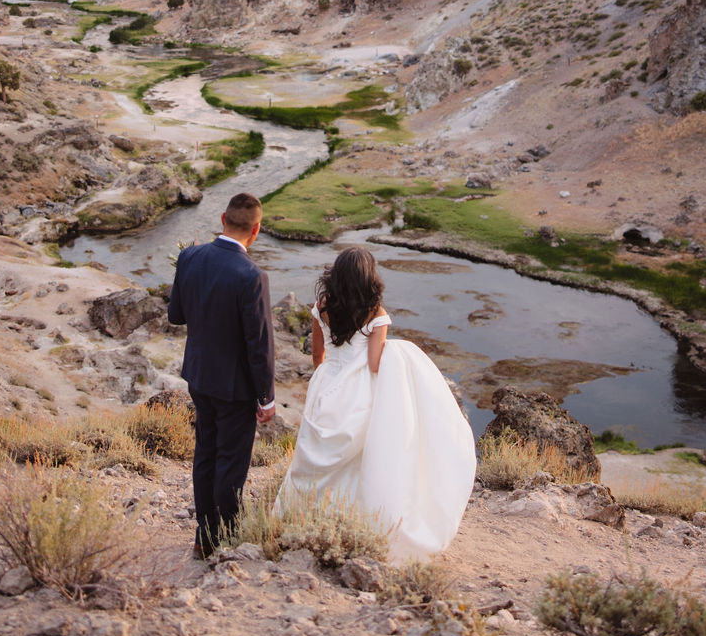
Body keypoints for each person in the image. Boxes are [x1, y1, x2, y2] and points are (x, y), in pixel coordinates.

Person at [276, 245, 476, 561]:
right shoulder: (376, 313)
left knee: (317, 456)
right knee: (359, 460)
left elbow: (317, 355)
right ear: (370, 278)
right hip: (361, 391)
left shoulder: (321, 306)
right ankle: (357, 521)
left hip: (327, 384)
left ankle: (302, 517)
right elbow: (373, 363)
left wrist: (327, 382)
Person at [167, 192, 275, 558]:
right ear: (256, 230)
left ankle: (204, 535)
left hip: (198, 375)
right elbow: (259, 343)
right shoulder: (252, 275)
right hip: (236, 387)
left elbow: (176, 316)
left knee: (206, 453)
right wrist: (267, 396)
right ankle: (224, 537)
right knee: (231, 460)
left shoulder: (189, 257)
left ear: (223, 217)